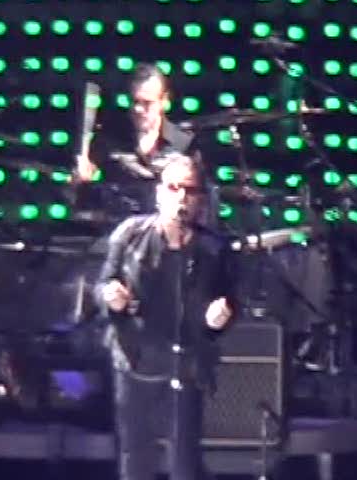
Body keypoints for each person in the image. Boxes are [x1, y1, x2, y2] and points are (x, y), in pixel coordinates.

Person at [94, 153, 235, 480]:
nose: (181, 197)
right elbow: (102, 284)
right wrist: (111, 297)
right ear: (159, 193)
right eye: (173, 187)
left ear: (201, 199)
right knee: (135, 454)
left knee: (184, 457)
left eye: (189, 189)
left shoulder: (213, 249)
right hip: (135, 359)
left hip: (186, 362)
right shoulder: (130, 234)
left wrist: (218, 319)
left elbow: (229, 301)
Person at [75, 63, 200, 215]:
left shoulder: (184, 142)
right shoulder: (109, 139)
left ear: (164, 101)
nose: (138, 109)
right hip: (120, 225)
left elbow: (199, 198)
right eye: (134, 102)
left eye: (147, 103)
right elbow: (80, 196)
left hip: (168, 226)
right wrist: (80, 181)